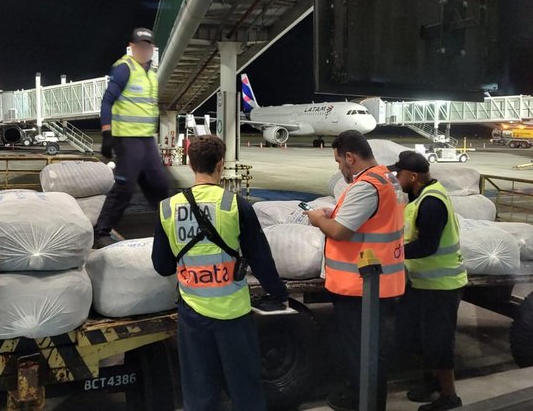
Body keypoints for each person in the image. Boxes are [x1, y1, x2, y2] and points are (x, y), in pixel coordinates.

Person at [152, 134, 288, 411]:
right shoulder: (236, 205)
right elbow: (261, 259)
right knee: (245, 388)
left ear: (190, 165)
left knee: (200, 391)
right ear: (221, 165)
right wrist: (279, 293)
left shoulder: (168, 208)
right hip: (233, 315)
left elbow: (162, 265)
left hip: (192, 313)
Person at [305, 130, 405, 411]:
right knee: (370, 351)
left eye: (339, 161)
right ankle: (361, 398)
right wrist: (334, 213)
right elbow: (371, 222)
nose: (339, 167)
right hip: (380, 281)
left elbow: (340, 231)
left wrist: (317, 219)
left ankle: (364, 403)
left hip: (362, 286)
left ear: (350, 157)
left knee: (363, 354)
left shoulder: (366, 186)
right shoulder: (388, 179)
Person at [390, 151, 467, 411]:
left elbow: (428, 246)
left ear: (413, 176)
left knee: (438, 341)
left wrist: (392, 253)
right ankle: (431, 381)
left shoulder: (432, 202)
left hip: (441, 286)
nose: (396, 178)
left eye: (399, 174)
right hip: (423, 283)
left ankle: (449, 396)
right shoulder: (421, 196)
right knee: (420, 338)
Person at [94, 27, 169, 249]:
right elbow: (107, 101)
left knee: (159, 184)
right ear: (133, 47)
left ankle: (169, 227)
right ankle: (102, 231)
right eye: (141, 46)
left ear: (152, 49)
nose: (145, 50)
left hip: (146, 138)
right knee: (125, 186)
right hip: (126, 137)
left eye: (149, 46)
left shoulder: (151, 73)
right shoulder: (124, 68)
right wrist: (107, 133)